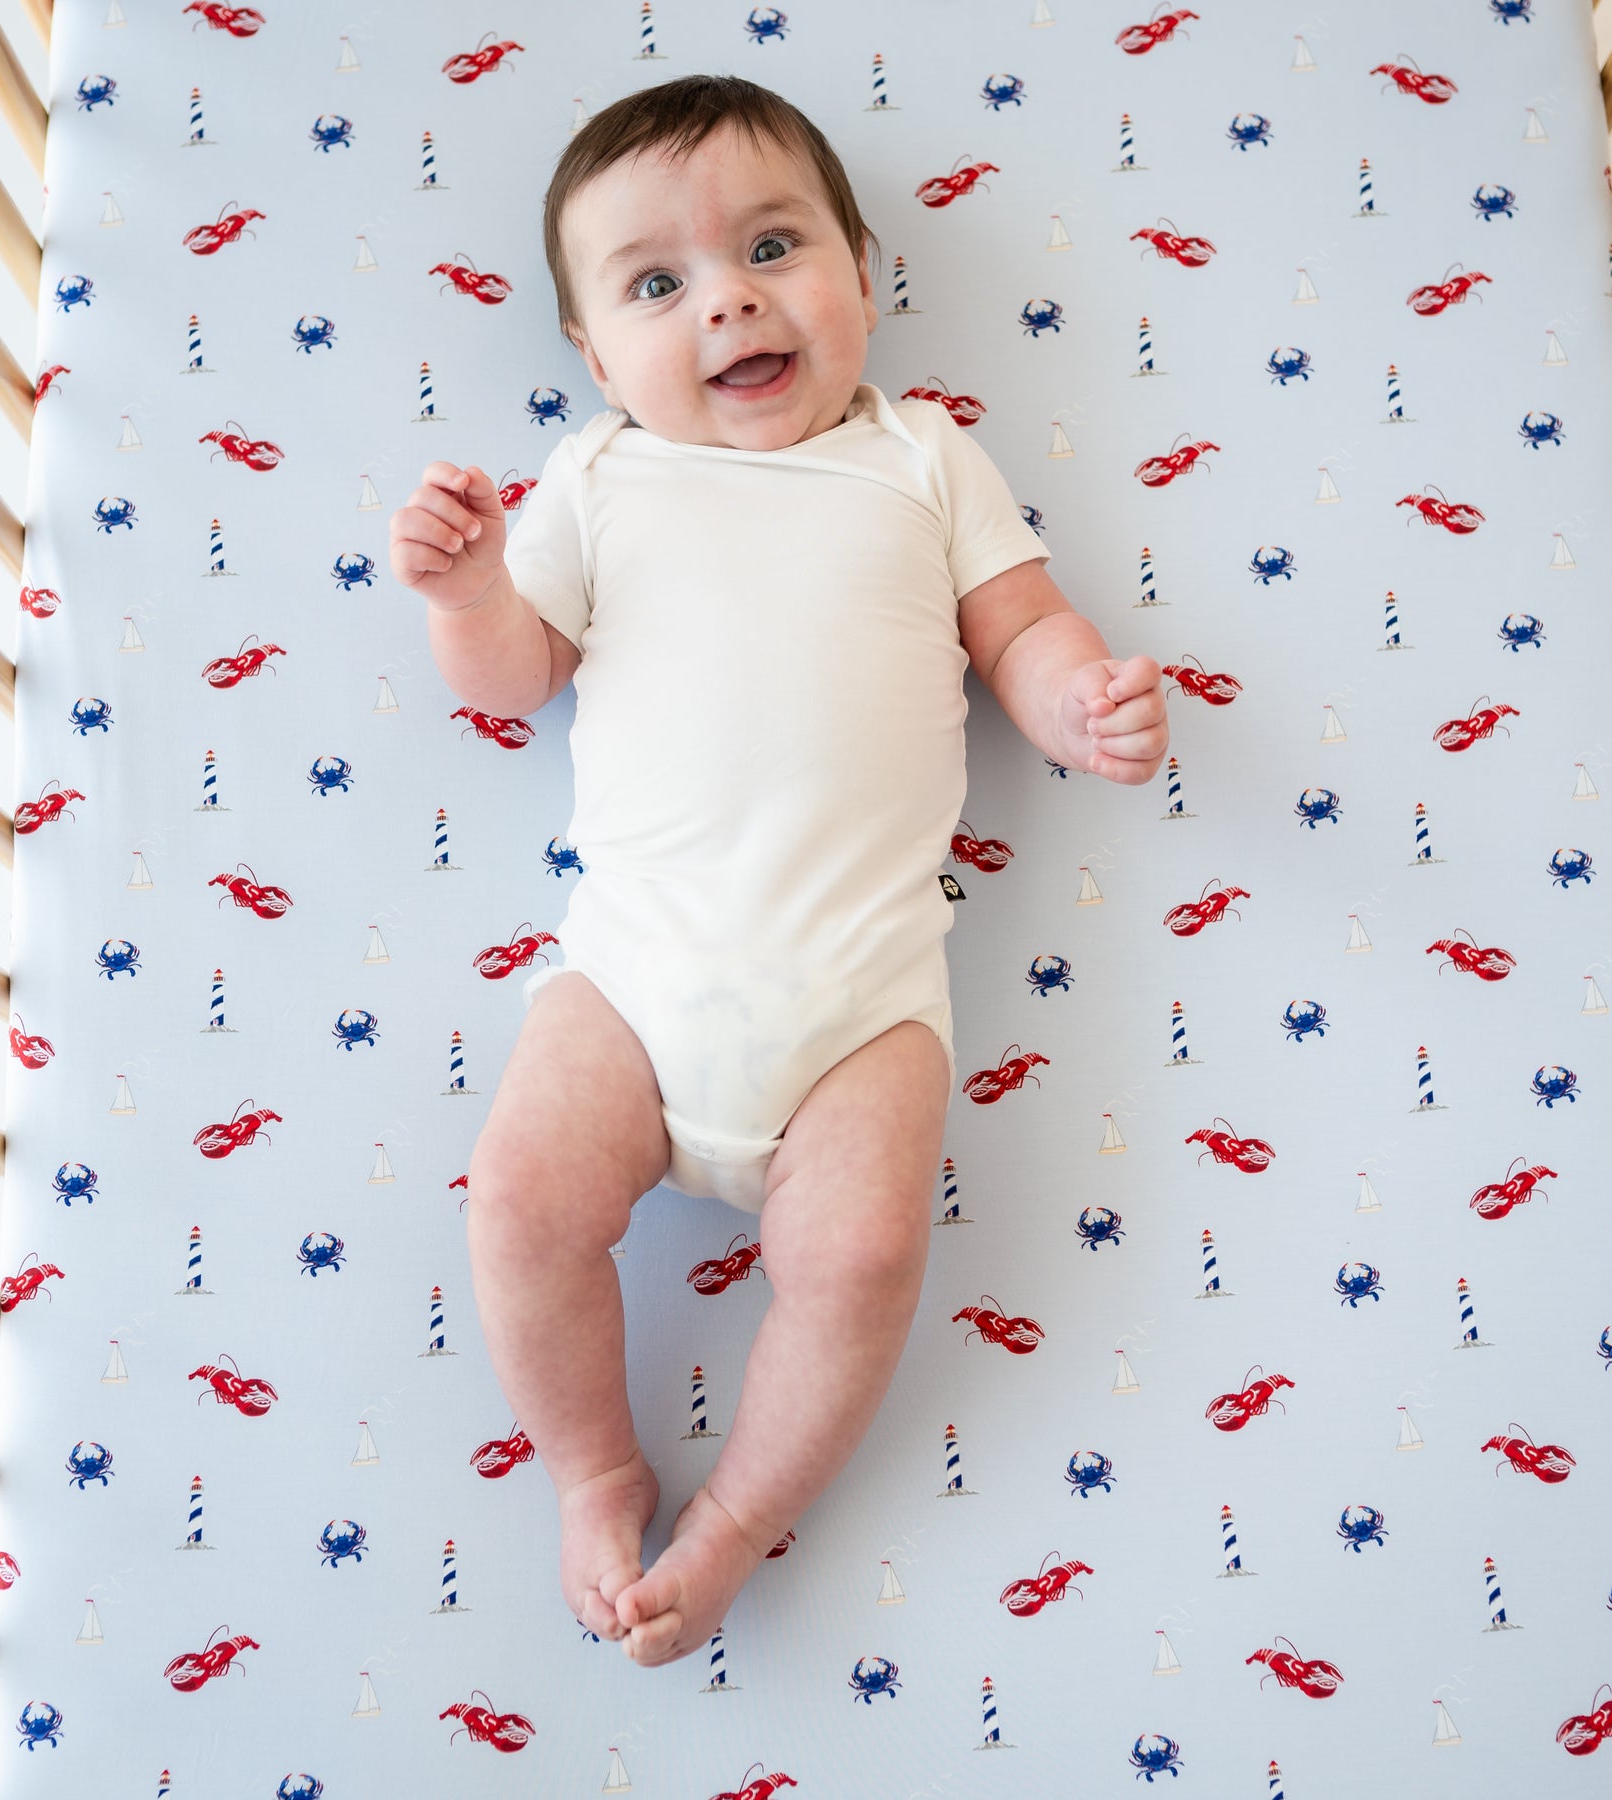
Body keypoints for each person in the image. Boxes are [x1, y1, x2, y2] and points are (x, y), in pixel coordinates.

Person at [390, 74, 1166, 1668]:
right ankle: (595, 1465)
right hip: (636, 971)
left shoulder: (924, 458)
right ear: (597, 357)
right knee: (519, 1202)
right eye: (658, 285)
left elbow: (1017, 623)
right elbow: (513, 676)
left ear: (862, 276)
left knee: (868, 1254)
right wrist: (470, 590)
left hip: (860, 995)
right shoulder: (597, 476)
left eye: (772, 246)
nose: (729, 296)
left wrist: (1074, 700)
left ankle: (738, 1519)